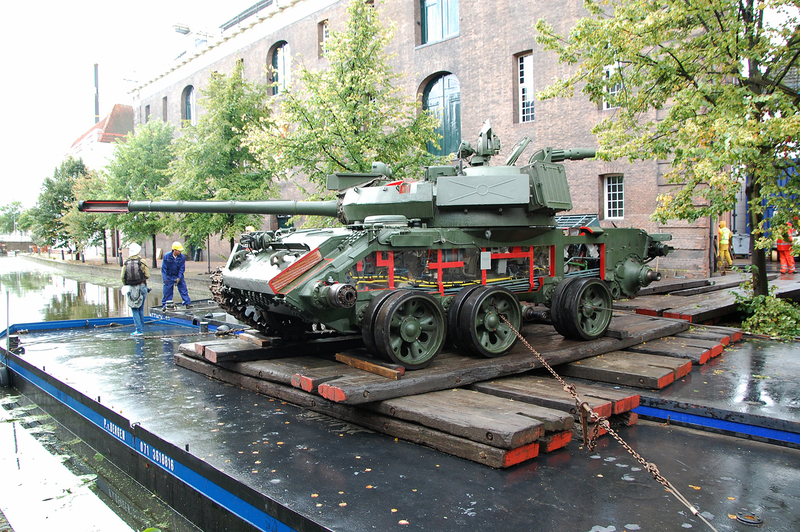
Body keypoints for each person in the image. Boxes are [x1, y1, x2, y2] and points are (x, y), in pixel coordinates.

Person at [121, 243, 150, 336]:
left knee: (134, 309)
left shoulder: (126, 262)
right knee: (141, 308)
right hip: (142, 286)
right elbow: (147, 275)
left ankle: (139, 330)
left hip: (132, 288)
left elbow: (122, 276)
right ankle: (141, 328)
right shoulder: (142, 261)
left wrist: (127, 284)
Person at [162, 241, 191, 308]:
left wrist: (179, 277)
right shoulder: (167, 256)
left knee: (183, 289)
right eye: (179, 250)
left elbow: (182, 268)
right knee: (167, 291)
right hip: (169, 276)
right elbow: (164, 269)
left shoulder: (182, 257)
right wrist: (165, 279)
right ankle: (166, 304)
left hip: (178, 275)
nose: (180, 252)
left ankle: (187, 302)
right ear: (174, 250)